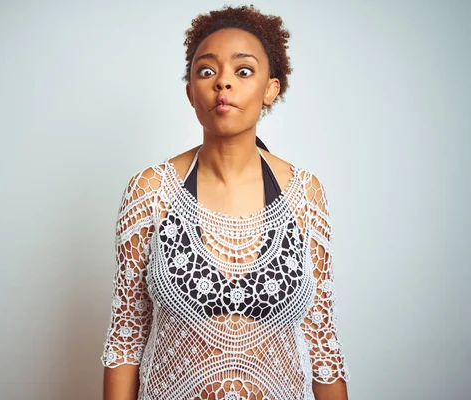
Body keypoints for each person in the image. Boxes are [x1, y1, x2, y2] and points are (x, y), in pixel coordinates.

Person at [100, 5, 351, 400]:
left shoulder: (304, 194)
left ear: (271, 87)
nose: (223, 84)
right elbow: (126, 339)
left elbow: (322, 345)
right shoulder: (151, 191)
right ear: (190, 93)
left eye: (243, 70)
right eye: (206, 71)